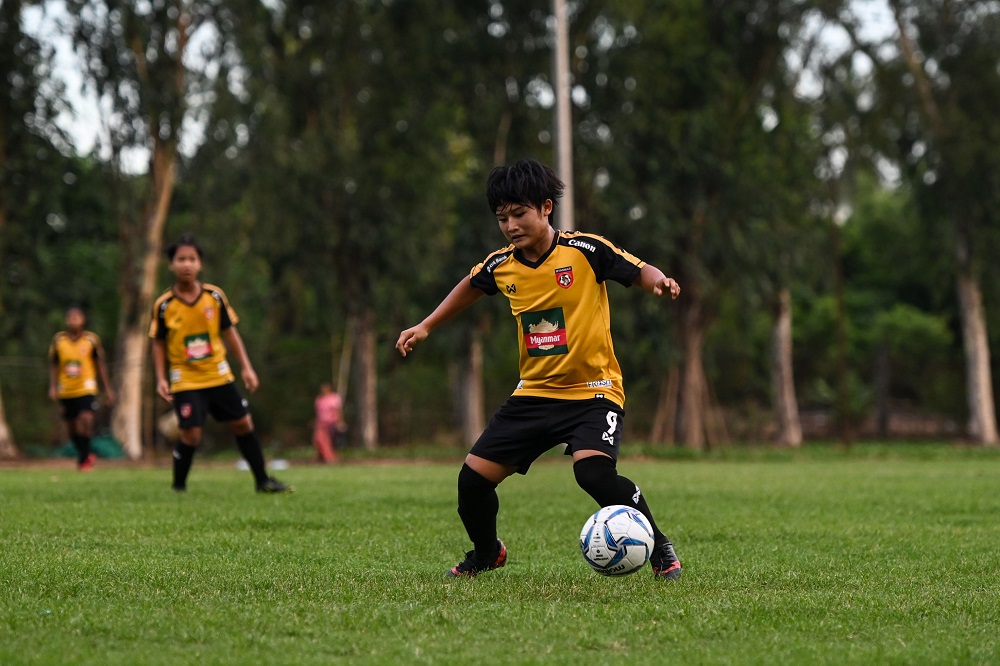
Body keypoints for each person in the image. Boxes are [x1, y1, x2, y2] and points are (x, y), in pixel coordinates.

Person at [396, 159, 683, 580]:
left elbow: (638, 269)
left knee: (593, 473)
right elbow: (469, 286)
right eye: (502, 218)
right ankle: (488, 551)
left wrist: (658, 282)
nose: (511, 225)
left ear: (546, 207)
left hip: (594, 389)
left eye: (519, 214)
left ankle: (660, 548)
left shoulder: (585, 250)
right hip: (534, 393)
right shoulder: (502, 265)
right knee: (472, 482)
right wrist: (425, 325)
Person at [149, 233, 291, 494]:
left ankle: (262, 480)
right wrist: (161, 377)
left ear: (200, 264)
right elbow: (158, 342)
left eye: (192, 259)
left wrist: (246, 367)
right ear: (171, 265)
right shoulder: (164, 305)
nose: (187, 264)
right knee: (191, 434)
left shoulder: (214, 297)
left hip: (218, 374)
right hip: (185, 379)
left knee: (243, 423)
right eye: (181, 259)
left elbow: (230, 333)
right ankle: (178, 487)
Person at [48, 305, 117, 471]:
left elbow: (100, 365)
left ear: (83, 320)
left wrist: (108, 388)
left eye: (77, 317)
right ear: (66, 320)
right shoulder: (59, 340)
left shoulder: (91, 340)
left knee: (85, 420)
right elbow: (54, 365)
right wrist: (53, 386)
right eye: (71, 317)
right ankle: (85, 455)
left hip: (86, 388)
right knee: (72, 428)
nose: (74, 321)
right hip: (66, 389)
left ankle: (84, 460)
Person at [313, 382, 347, 463]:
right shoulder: (319, 399)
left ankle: (332, 457)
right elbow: (318, 413)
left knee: (333, 441)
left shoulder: (334, 398)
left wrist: (340, 421)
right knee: (319, 439)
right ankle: (323, 457)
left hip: (332, 422)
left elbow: (338, 411)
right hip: (321, 423)